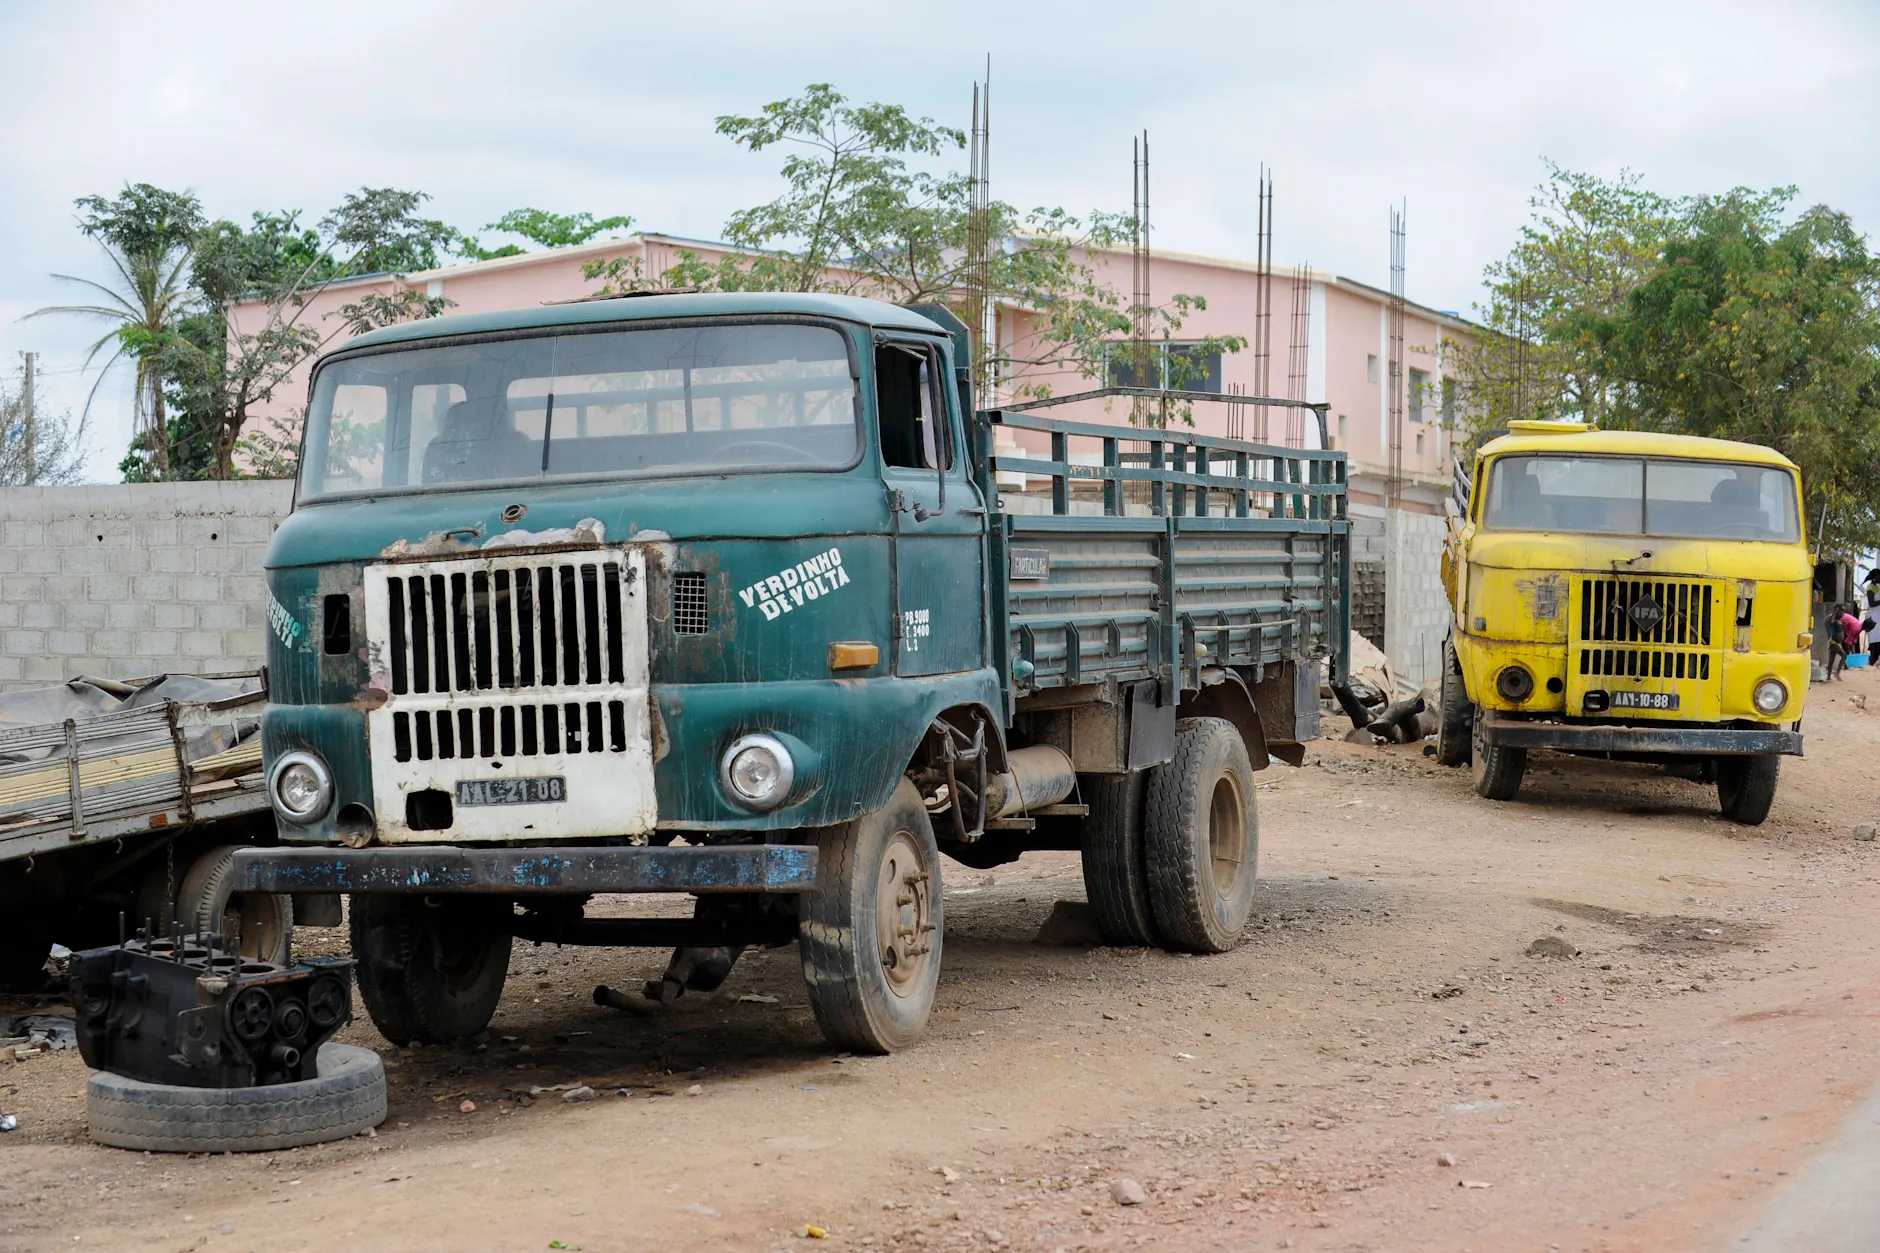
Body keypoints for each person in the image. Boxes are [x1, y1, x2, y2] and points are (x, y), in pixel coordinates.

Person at [1829, 603, 1862, 679]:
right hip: (1834, 642)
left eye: (1844, 612)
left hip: (1835, 642)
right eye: (1841, 612)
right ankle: (1837, 673)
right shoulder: (1835, 621)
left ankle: (1829, 676)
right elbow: (1832, 622)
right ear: (1837, 612)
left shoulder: (1840, 622)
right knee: (1844, 656)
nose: (1843, 614)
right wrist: (1834, 613)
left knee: (1831, 660)